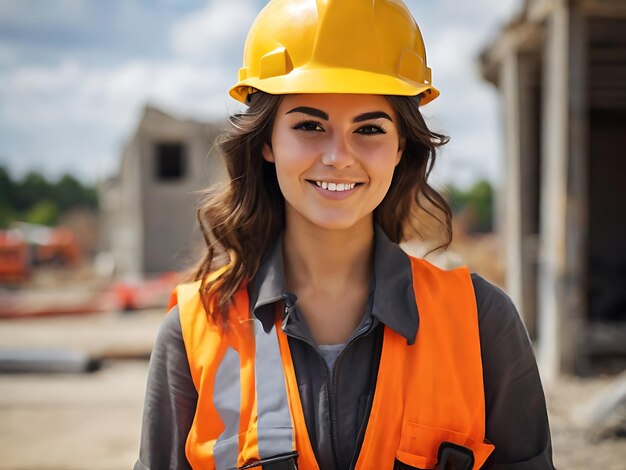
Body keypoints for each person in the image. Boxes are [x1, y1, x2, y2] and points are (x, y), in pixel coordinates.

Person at [135, 1, 555, 469]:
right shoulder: (195, 330)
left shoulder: (480, 322)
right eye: (310, 125)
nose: (338, 156)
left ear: (401, 148)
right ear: (267, 142)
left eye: (370, 128)